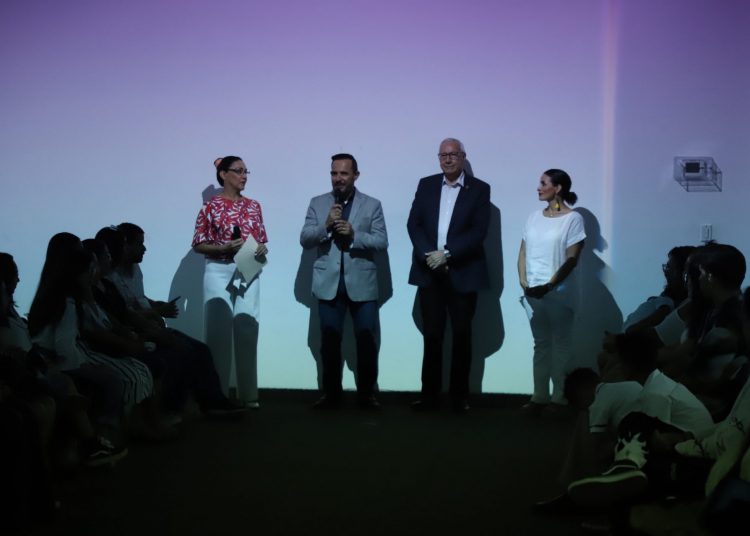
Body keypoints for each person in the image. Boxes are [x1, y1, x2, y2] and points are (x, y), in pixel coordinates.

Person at [407, 138, 490, 412]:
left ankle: (458, 398)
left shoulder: (479, 189)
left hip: (463, 273)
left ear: (463, 157)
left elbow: (478, 232)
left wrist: (448, 254)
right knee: (432, 336)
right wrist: (429, 256)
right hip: (430, 272)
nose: (448, 159)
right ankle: (429, 396)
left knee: (462, 336)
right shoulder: (426, 184)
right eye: (443, 155)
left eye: (453, 154)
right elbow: (414, 224)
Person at [300, 153, 388, 409]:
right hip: (328, 284)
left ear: (355, 175)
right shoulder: (318, 203)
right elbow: (305, 239)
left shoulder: (372, 204)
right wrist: (326, 226)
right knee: (328, 341)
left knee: (366, 340)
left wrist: (354, 234)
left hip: (362, 284)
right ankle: (331, 395)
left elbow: (381, 242)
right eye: (334, 173)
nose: (338, 178)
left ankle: (367, 395)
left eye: (343, 173)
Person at [192, 157, 269, 409]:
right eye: (238, 171)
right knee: (218, 334)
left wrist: (260, 249)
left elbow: (261, 240)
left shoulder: (254, 206)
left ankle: (249, 395)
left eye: (246, 171)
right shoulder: (210, 207)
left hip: (248, 265)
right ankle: (218, 395)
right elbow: (198, 244)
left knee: (247, 328)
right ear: (223, 174)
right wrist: (223, 247)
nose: (244, 176)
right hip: (218, 268)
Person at [517, 168, 585, 413]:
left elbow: (571, 259)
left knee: (561, 344)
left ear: (558, 188)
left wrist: (549, 285)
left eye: (544, 183)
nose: (538, 187)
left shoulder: (573, 219)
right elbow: (523, 252)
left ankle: (560, 399)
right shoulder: (533, 217)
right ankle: (540, 397)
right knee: (541, 345)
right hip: (533, 294)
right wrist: (524, 282)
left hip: (559, 294)